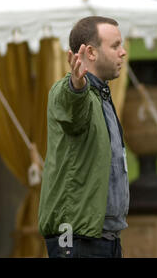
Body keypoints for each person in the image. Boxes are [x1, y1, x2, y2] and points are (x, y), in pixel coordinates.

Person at [38, 16, 129, 258]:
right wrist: (76, 87)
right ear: (90, 52)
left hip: (104, 237)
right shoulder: (67, 91)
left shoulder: (102, 95)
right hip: (76, 239)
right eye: (115, 45)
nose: (123, 52)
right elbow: (72, 110)